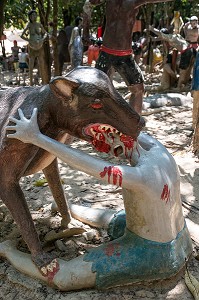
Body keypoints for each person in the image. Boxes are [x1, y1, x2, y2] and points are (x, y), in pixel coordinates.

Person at [3, 107, 192, 291]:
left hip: (154, 253)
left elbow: (88, 165)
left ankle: (7, 250)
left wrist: (36, 137)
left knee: (65, 277)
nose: (107, 148)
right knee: (115, 217)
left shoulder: (141, 175)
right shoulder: (156, 147)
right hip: (181, 239)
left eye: (107, 142)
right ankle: (68, 208)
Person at [82, 0, 173, 115]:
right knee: (137, 90)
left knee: (99, 91)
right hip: (121, 56)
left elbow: (87, 4)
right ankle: (132, 127)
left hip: (107, 53)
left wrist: (85, 32)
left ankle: (129, 126)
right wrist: (85, 32)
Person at [20, 10, 48, 85]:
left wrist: (42, 39)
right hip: (32, 47)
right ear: (30, 17)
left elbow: (45, 34)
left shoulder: (39, 24)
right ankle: (31, 83)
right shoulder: (29, 25)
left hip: (40, 46)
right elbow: (22, 35)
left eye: (35, 15)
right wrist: (29, 40)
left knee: (41, 64)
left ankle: (43, 82)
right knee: (31, 65)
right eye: (32, 15)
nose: (34, 17)